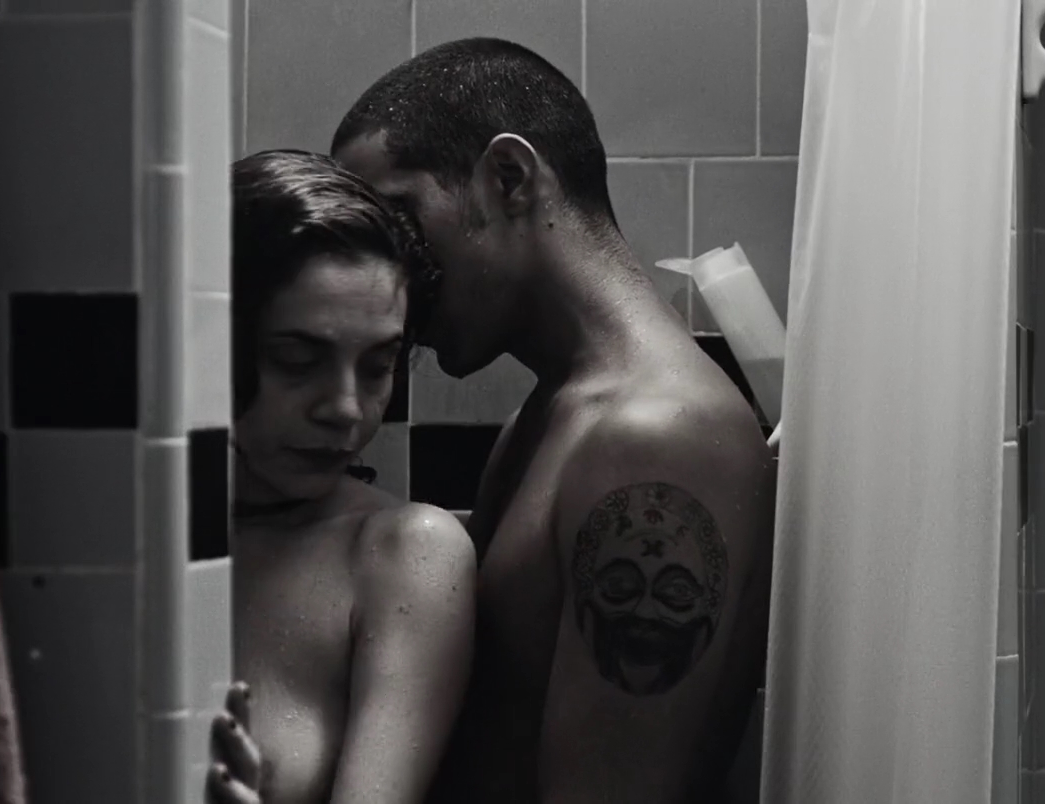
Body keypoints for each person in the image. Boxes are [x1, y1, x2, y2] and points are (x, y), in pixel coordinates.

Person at [329, 38, 777, 803]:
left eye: (400, 221)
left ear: (509, 178)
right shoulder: (549, 421)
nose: (390, 272)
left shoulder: (657, 438)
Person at [205, 149, 480, 804]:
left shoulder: (402, 554)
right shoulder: (125, 536)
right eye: (297, 360)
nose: (346, 409)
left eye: (378, 366)